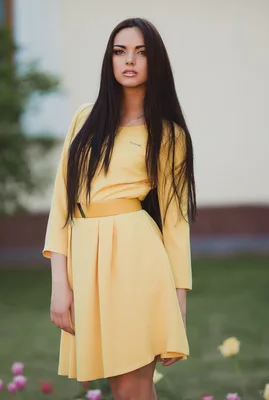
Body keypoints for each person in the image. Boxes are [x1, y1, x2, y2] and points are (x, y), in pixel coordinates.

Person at [42, 17, 197, 400]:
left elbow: (176, 222)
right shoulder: (84, 118)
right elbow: (61, 200)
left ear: (154, 62)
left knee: (132, 385)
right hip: (85, 261)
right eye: (120, 51)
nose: (129, 60)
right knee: (117, 384)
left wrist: (178, 300)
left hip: (136, 258)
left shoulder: (167, 133)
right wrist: (59, 283)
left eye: (141, 53)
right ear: (110, 60)